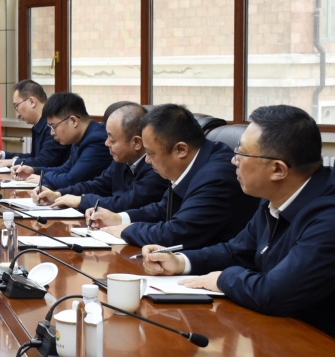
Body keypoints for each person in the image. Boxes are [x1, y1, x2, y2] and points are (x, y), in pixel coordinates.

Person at [141, 105, 335, 350]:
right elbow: (237, 251)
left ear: (278, 169)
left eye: (242, 154)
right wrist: (180, 262)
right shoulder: (275, 196)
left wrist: (223, 278)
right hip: (280, 334)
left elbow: (275, 293)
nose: (233, 161)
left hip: (332, 351)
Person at [88, 103, 257, 249]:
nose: (147, 160)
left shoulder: (216, 177)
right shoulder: (193, 161)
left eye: (151, 153)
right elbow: (163, 209)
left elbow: (177, 233)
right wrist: (118, 218)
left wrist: (126, 230)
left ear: (181, 150)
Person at [35, 103, 168, 213]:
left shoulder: (156, 168)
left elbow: (126, 203)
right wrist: (59, 194)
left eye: (112, 140)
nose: (106, 143)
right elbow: (98, 185)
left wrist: (81, 201)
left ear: (137, 143)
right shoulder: (122, 160)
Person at [9, 91, 112, 190]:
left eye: (54, 127)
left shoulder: (97, 140)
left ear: (73, 121)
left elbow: (71, 180)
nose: (52, 133)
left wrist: (43, 178)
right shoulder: (80, 136)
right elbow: (65, 169)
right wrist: (33, 170)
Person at [0, 79, 69, 170]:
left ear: (32, 102)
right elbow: (33, 157)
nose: (18, 114)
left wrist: (11, 162)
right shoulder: (40, 124)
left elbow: (45, 162)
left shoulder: (53, 126)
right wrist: (2, 155)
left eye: (17, 106)